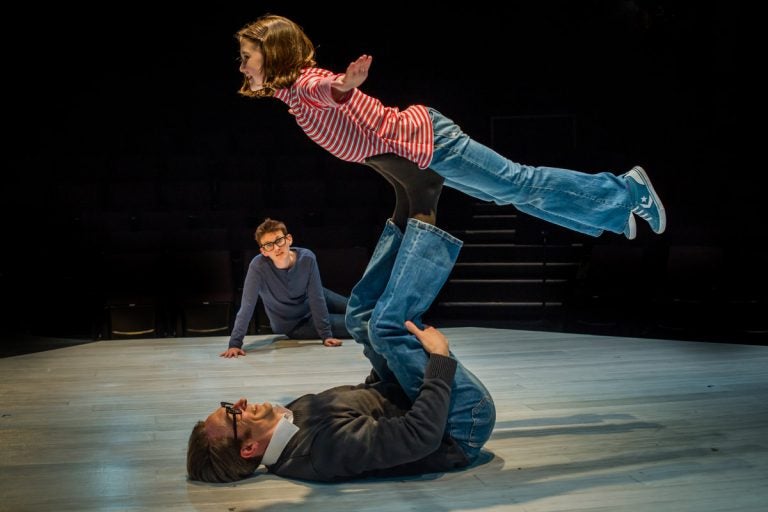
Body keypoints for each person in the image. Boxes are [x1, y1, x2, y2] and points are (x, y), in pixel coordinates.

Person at [233, 14, 666, 241]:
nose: (242, 64)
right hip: (426, 149)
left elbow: (327, 88)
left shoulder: (307, 85)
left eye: (248, 54)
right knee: (509, 194)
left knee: (518, 181)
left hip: (432, 141)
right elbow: (297, 91)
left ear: (274, 53)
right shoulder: (289, 93)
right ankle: (611, 212)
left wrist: (345, 84)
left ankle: (626, 190)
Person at [188, 199, 496, 482]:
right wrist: (439, 360)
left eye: (228, 405)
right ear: (249, 449)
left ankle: (404, 208)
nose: (239, 402)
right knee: (385, 328)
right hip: (459, 425)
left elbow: (367, 400)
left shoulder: (288, 419)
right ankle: (426, 210)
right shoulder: (322, 451)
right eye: (233, 413)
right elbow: (422, 435)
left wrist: (385, 366)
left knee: (358, 317)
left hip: (411, 399)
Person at [221, 218, 349, 358]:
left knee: (358, 307)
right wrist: (235, 343)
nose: (276, 248)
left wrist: (325, 334)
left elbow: (316, 298)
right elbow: (247, 306)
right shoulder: (258, 267)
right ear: (264, 251)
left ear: (288, 239)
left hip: (315, 299)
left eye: (279, 240)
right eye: (269, 245)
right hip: (295, 323)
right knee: (359, 323)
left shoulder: (307, 258)